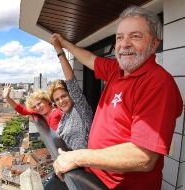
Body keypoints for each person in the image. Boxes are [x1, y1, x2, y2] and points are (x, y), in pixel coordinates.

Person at [51, 5, 183, 190]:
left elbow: (143, 157)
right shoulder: (117, 70)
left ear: (154, 44)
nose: (124, 44)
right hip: (93, 176)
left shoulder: (158, 83)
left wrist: (78, 156)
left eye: (135, 36)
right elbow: (88, 58)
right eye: (120, 37)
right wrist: (63, 44)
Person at [42, 29, 94, 190]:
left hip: (84, 171)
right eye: (57, 99)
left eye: (64, 96)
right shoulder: (64, 117)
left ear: (71, 95)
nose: (61, 101)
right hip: (68, 170)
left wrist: (59, 50)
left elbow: (71, 80)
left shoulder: (81, 110)